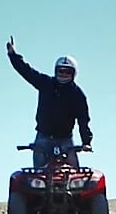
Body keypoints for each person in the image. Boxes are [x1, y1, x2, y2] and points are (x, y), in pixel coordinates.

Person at [6, 37, 93, 168]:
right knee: (37, 177)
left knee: (76, 175)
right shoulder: (45, 83)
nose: (63, 74)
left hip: (65, 140)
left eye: (67, 71)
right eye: (60, 71)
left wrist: (86, 142)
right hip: (43, 137)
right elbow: (27, 71)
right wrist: (13, 55)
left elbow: (83, 120)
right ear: (56, 71)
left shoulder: (78, 95)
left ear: (74, 74)